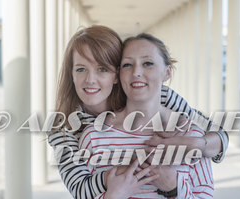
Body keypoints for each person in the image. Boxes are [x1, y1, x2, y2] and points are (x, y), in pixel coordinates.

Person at [47, 25, 227, 199]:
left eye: (102, 69)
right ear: (71, 74)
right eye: (80, 69)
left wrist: (197, 145)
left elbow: (217, 133)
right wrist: (131, 171)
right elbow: (80, 189)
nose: (90, 80)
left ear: (116, 75)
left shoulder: (159, 95)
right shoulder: (65, 129)